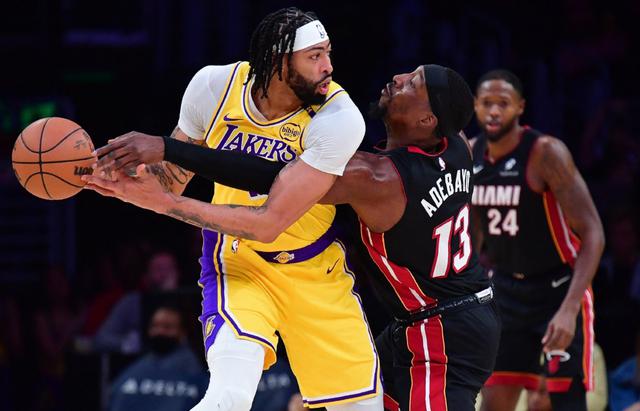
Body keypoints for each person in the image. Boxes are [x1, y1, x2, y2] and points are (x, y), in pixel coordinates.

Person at [86, 63, 501, 411]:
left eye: (414, 84)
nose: (399, 77)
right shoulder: (457, 145)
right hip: (441, 315)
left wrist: (169, 149)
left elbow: (274, 178)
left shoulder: (378, 179)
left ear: (428, 121)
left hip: (439, 329)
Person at [88, 7, 382, 411]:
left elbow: (269, 223)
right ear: (280, 62)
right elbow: (168, 182)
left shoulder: (339, 117)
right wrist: (116, 178)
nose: (328, 66)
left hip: (315, 272)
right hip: (241, 265)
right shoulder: (214, 87)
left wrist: (166, 201)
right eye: (315, 56)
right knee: (229, 397)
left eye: (327, 53)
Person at [469, 69, 605, 411]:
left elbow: (593, 232)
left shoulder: (545, 152)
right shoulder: (471, 154)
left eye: (503, 103)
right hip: (505, 289)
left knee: (565, 402)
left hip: (557, 289)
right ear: (475, 106)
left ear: (520, 107)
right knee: (493, 403)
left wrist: (569, 309)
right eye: (486, 103)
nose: (494, 111)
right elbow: (473, 233)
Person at [108, 305, 206, 411]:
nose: (160, 331)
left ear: (182, 332)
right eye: (155, 326)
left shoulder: (196, 375)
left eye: (167, 327)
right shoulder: (133, 371)